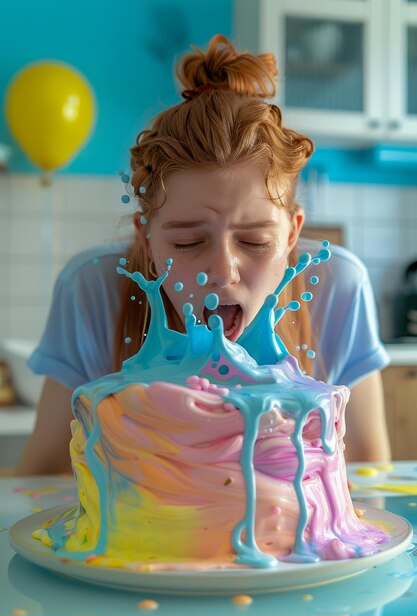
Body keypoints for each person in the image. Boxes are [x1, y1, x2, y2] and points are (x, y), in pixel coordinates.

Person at [16, 35, 391, 476]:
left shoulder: (336, 286)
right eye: (188, 243)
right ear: (147, 240)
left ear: (292, 234)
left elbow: (369, 473)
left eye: (254, 242)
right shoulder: (92, 290)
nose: (222, 271)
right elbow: (44, 474)